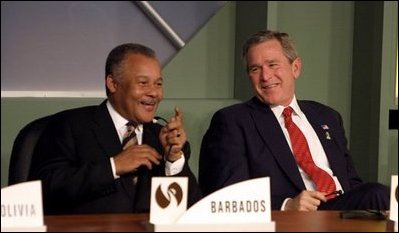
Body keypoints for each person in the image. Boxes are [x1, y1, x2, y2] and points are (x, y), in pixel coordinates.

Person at [198, 30, 389, 211]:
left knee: (379, 199)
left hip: (343, 212)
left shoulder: (327, 116)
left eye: (273, 65)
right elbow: (227, 193)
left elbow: (352, 183)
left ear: (295, 68)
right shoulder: (234, 121)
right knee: (377, 194)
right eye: (255, 69)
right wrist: (285, 205)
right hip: (295, 219)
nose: (265, 76)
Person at [29, 43, 202, 214]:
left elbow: (193, 209)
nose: (155, 93)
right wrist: (113, 167)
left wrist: (173, 160)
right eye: (143, 83)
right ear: (113, 83)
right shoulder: (70, 126)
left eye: (158, 84)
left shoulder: (163, 139)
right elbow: (44, 190)